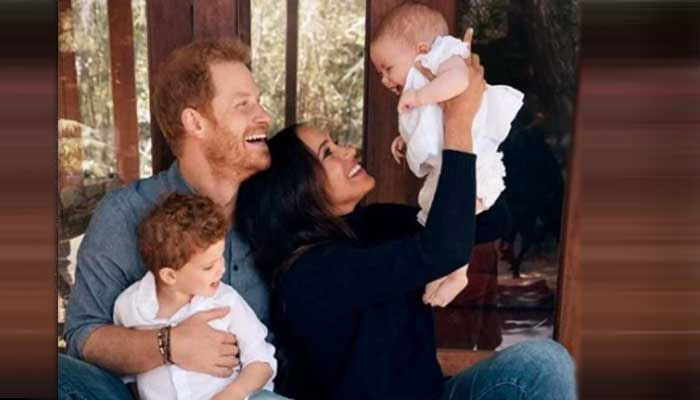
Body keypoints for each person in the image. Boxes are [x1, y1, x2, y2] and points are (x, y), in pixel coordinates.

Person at [235, 49, 576, 399]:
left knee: (544, 365)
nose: (348, 151)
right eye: (328, 152)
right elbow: (443, 251)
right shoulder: (309, 274)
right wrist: (456, 124)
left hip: (434, 394)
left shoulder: (374, 222)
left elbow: (491, 221)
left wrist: (446, 132)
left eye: (336, 143)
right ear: (296, 190)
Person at [59, 38, 288, 400]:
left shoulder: (271, 211)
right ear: (195, 122)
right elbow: (83, 337)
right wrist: (169, 345)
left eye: (258, 101)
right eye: (243, 105)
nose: (264, 116)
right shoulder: (124, 214)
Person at [369, 2, 524, 307]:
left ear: (421, 49)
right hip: (449, 162)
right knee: (438, 214)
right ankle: (444, 269)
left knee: (456, 214)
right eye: (379, 74)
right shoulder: (423, 79)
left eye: (388, 68)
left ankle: (457, 273)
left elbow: (459, 81)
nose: (385, 80)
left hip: (475, 160)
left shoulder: (444, 56)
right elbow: (431, 124)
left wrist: (419, 96)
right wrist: (406, 138)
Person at [113, 193, 277, 400]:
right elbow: (126, 373)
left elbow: (262, 361)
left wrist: (232, 395)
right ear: (170, 276)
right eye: (208, 266)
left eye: (221, 256)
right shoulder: (130, 307)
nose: (222, 269)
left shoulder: (226, 301)